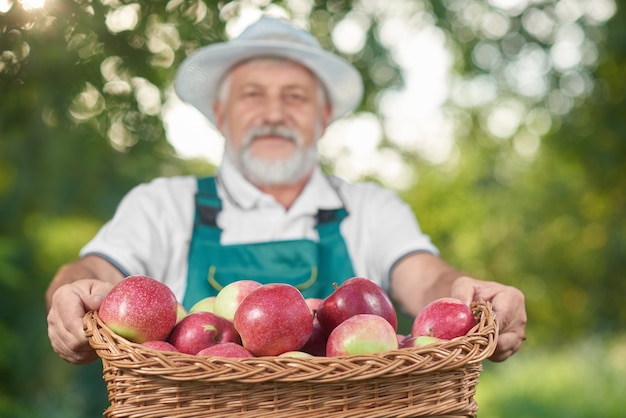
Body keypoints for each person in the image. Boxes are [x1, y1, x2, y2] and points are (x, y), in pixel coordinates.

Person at [46, 16, 526, 365]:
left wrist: (464, 296)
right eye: (252, 94)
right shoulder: (163, 205)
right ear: (221, 113)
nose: (273, 113)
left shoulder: (369, 208)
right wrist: (74, 292)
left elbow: (426, 280)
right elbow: (94, 270)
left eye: (294, 96)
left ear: (322, 116)